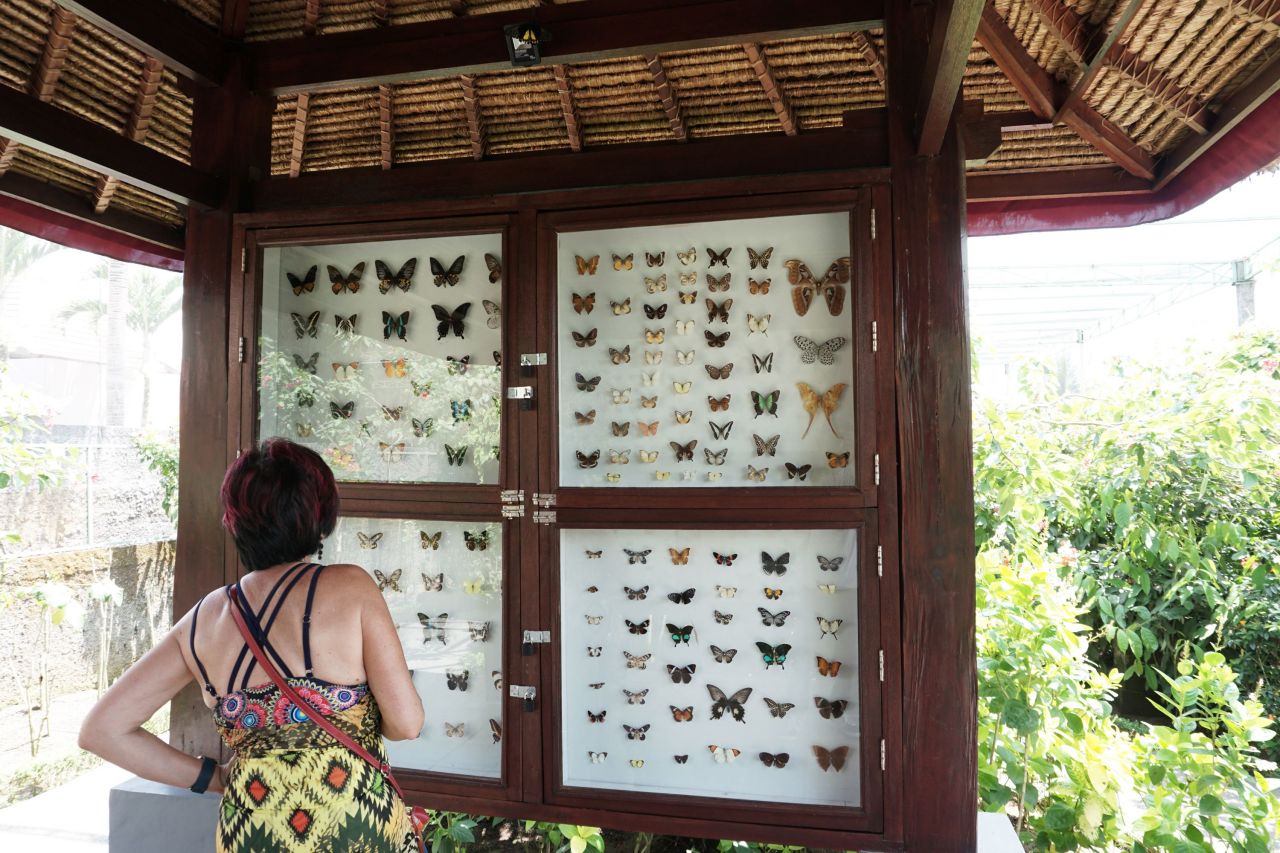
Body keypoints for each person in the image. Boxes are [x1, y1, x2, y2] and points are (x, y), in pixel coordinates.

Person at [80, 437, 425, 852]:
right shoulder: (351, 588)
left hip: (251, 830)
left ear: (235, 521)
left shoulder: (206, 617)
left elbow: (102, 730)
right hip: (354, 824)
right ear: (321, 515)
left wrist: (214, 778)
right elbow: (406, 724)